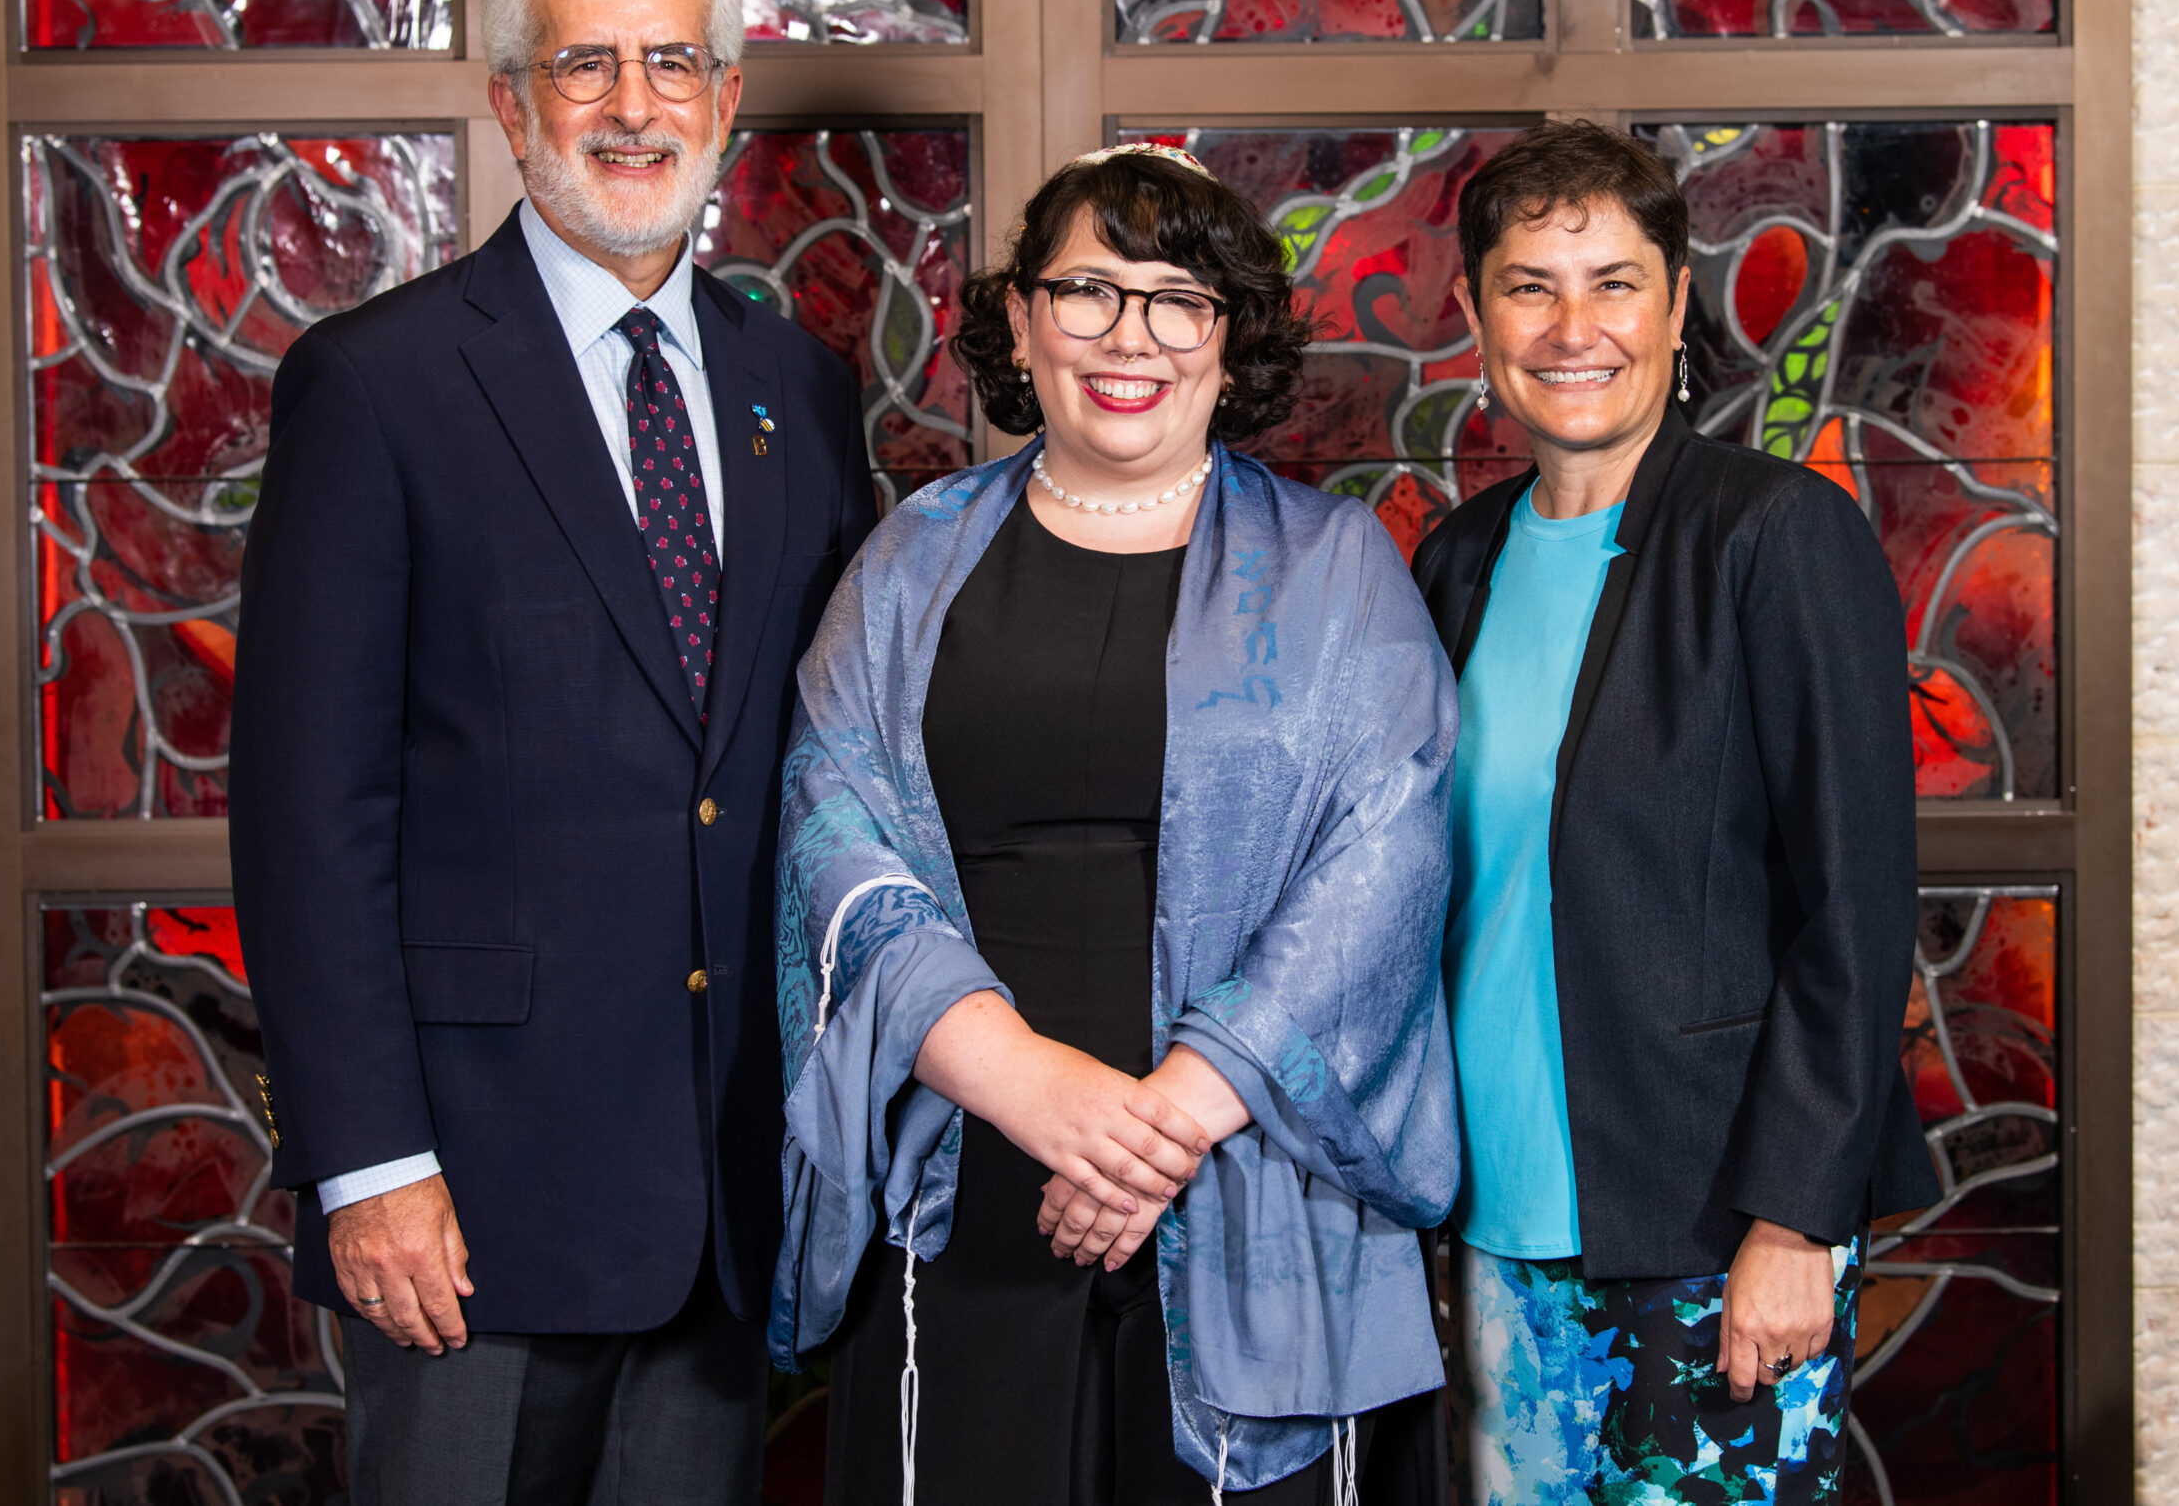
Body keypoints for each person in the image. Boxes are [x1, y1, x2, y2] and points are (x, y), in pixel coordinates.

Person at [230, 0, 876, 1505]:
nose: (633, 106)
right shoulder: (376, 385)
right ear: (512, 105)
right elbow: (309, 816)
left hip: (725, 1193)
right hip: (471, 1203)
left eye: (672, 64)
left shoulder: (792, 385)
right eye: (584, 65)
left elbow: (809, 769)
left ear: (728, 101)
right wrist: (370, 1165)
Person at [768, 144, 1459, 1505]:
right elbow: (827, 825)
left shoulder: (1337, 569)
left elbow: (1387, 861)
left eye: (1176, 298)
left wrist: (1163, 1124)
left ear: (1229, 336)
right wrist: (1029, 1083)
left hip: (1246, 1169)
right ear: (1022, 318)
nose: (1127, 336)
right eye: (1087, 289)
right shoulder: (912, 558)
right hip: (969, 1175)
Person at [1409, 120, 1939, 1503]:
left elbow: (1856, 902)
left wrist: (1796, 1219)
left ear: (1678, 302)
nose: (1573, 326)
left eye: (1615, 281)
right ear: (1474, 314)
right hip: (1499, 1220)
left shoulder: (1774, 536)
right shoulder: (1456, 561)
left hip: (1714, 1222)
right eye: (1529, 284)